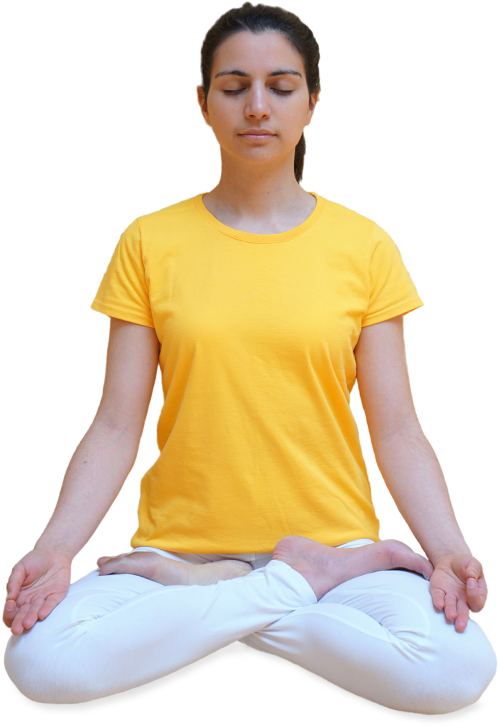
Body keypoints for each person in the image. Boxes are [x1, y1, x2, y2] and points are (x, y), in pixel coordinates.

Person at [3, 2, 496, 717]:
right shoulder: (149, 241)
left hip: (340, 552)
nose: (257, 106)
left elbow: (396, 429)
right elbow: (115, 425)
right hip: (177, 561)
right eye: (233, 87)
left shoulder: (365, 246)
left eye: (281, 85)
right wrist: (54, 550)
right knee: (40, 667)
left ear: (313, 102)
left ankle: (241, 608)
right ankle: (275, 595)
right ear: (203, 104)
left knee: (457, 669)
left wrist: (448, 549)